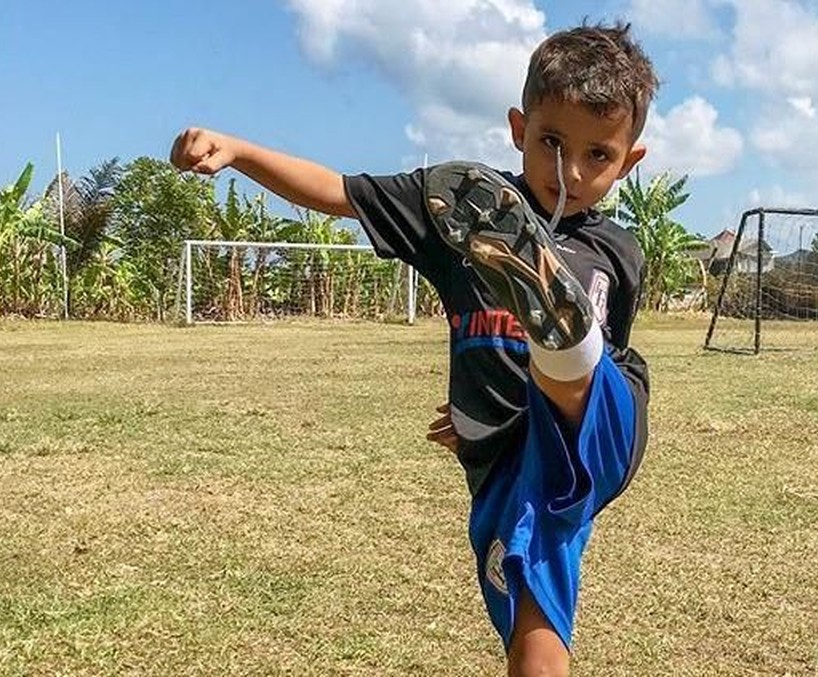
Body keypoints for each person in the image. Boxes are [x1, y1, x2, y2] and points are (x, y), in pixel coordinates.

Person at [169, 20, 658, 676]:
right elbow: (341, 192)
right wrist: (236, 150)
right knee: (524, 617)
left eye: (598, 155)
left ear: (630, 160)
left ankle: (562, 342)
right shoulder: (460, 205)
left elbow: (620, 344)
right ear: (518, 129)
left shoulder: (619, 251)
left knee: (539, 579)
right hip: (500, 464)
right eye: (550, 142)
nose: (569, 171)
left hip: (594, 430)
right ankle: (552, 329)